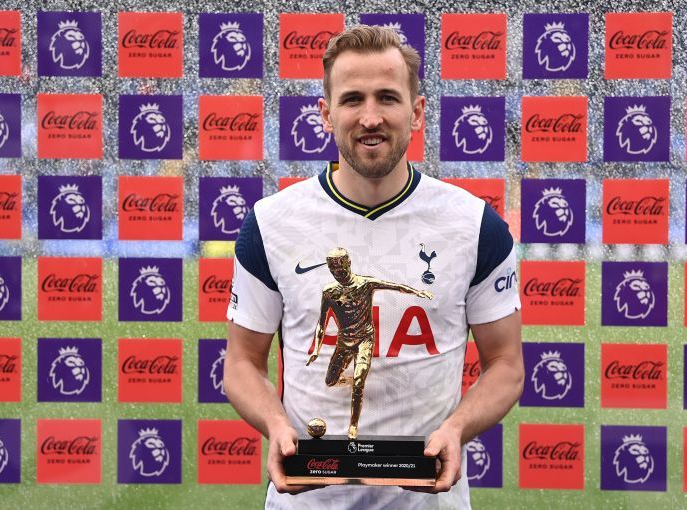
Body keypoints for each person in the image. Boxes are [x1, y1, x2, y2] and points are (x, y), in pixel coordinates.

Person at [224, 24, 523, 509]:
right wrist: (276, 425)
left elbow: (507, 365)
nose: (370, 117)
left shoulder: (474, 225)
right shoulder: (271, 223)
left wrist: (457, 428)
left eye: (387, 97)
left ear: (417, 111)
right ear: (325, 113)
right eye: (352, 100)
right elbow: (241, 363)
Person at [307, 247, 434, 439]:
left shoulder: (365, 284)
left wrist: (417, 291)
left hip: (365, 339)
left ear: (348, 264)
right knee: (330, 381)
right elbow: (321, 323)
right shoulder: (329, 291)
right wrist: (316, 349)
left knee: (358, 381)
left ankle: (353, 426)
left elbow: (393, 285)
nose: (338, 274)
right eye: (333, 271)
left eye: (340, 270)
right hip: (344, 340)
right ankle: (354, 382)